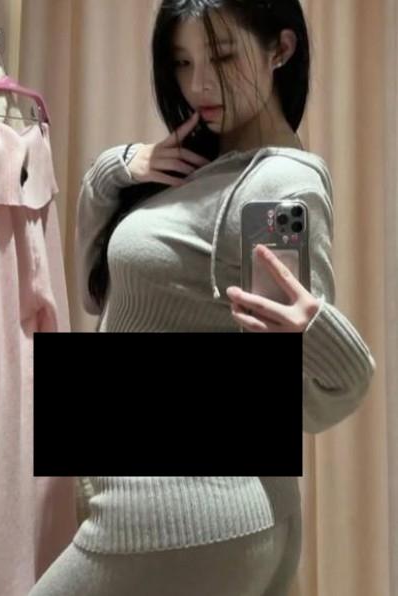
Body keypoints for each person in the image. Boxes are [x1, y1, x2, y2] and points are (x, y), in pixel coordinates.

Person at [29, 1, 376, 594]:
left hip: (180, 516)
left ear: (280, 50)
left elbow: (310, 398)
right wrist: (122, 167)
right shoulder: (205, 169)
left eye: (220, 56)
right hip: (165, 515)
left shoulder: (275, 186)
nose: (198, 85)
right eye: (182, 62)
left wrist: (320, 333)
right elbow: (93, 288)